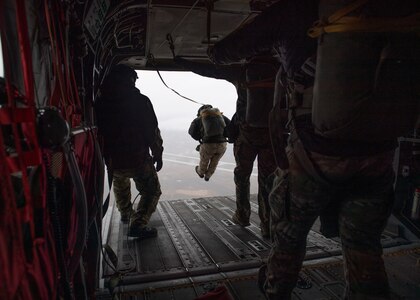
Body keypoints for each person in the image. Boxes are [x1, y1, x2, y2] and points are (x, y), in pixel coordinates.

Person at [210, 0, 420, 299]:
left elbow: (228, 52)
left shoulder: (291, 10)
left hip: (314, 156)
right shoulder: (395, 10)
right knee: (364, 248)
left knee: (288, 240)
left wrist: (212, 52)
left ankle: (275, 291)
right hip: (377, 157)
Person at [175, 57, 277, 238]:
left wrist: (182, 61)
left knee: (242, 176)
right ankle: (267, 225)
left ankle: (242, 215)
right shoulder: (279, 69)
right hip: (271, 135)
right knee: (267, 180)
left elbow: (211, 70)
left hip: (246, 135)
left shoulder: (241, 71)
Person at [95, 64, 164, 239]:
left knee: (120, 182)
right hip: (137, 158)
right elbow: (152, 130)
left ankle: (126, 214)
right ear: (130, 80)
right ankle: (138, 224)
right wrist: (158, 153)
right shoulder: (140, 101)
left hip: (112, 160)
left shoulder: (100, 102)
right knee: (152, 190)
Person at [189, 104, 230, 181]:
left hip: (208, 145)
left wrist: (200, 138)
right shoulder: (222, 117)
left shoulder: (198, 119)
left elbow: (191, 132)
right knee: (215, 161)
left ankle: (201, 172)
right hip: (222, 144)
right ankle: (208, 176)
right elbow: (231, 128)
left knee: (204, 160)